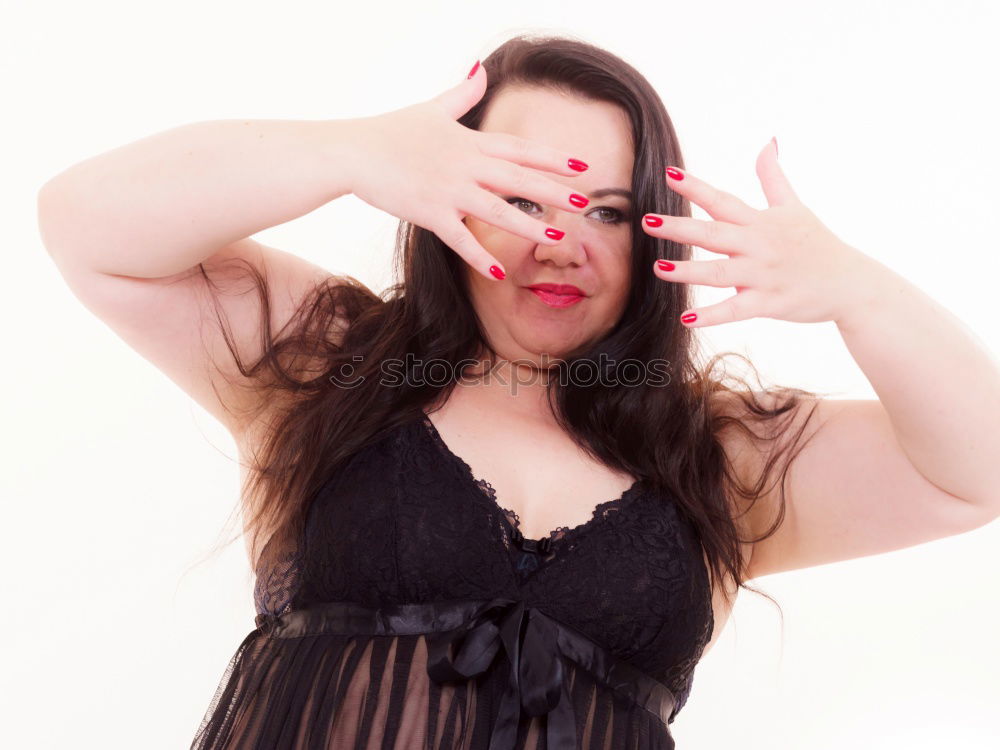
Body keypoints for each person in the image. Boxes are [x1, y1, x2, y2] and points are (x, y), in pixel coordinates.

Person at [37, 34, 1000, 750]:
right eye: (523, 195)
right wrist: (349, 152)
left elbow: (977, 472)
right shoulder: (332, 364)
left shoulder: (720, 457)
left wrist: (859, 290)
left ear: (653, 238)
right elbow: (90, 229)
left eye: (610, 212)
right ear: (443, 191)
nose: (559, 239)